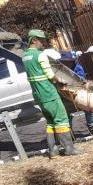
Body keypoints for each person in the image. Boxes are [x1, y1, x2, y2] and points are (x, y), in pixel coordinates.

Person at [21, 29, 83, 157]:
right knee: (61, 119)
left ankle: (53, 150)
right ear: (33, 40)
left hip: (38, 95)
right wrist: (60, 81)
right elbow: (49, 74)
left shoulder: (25, 56)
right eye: (41, 40)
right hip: (48, 92)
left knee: (50, 121)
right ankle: (69, 148)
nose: (43, 43)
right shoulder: (40, 55)